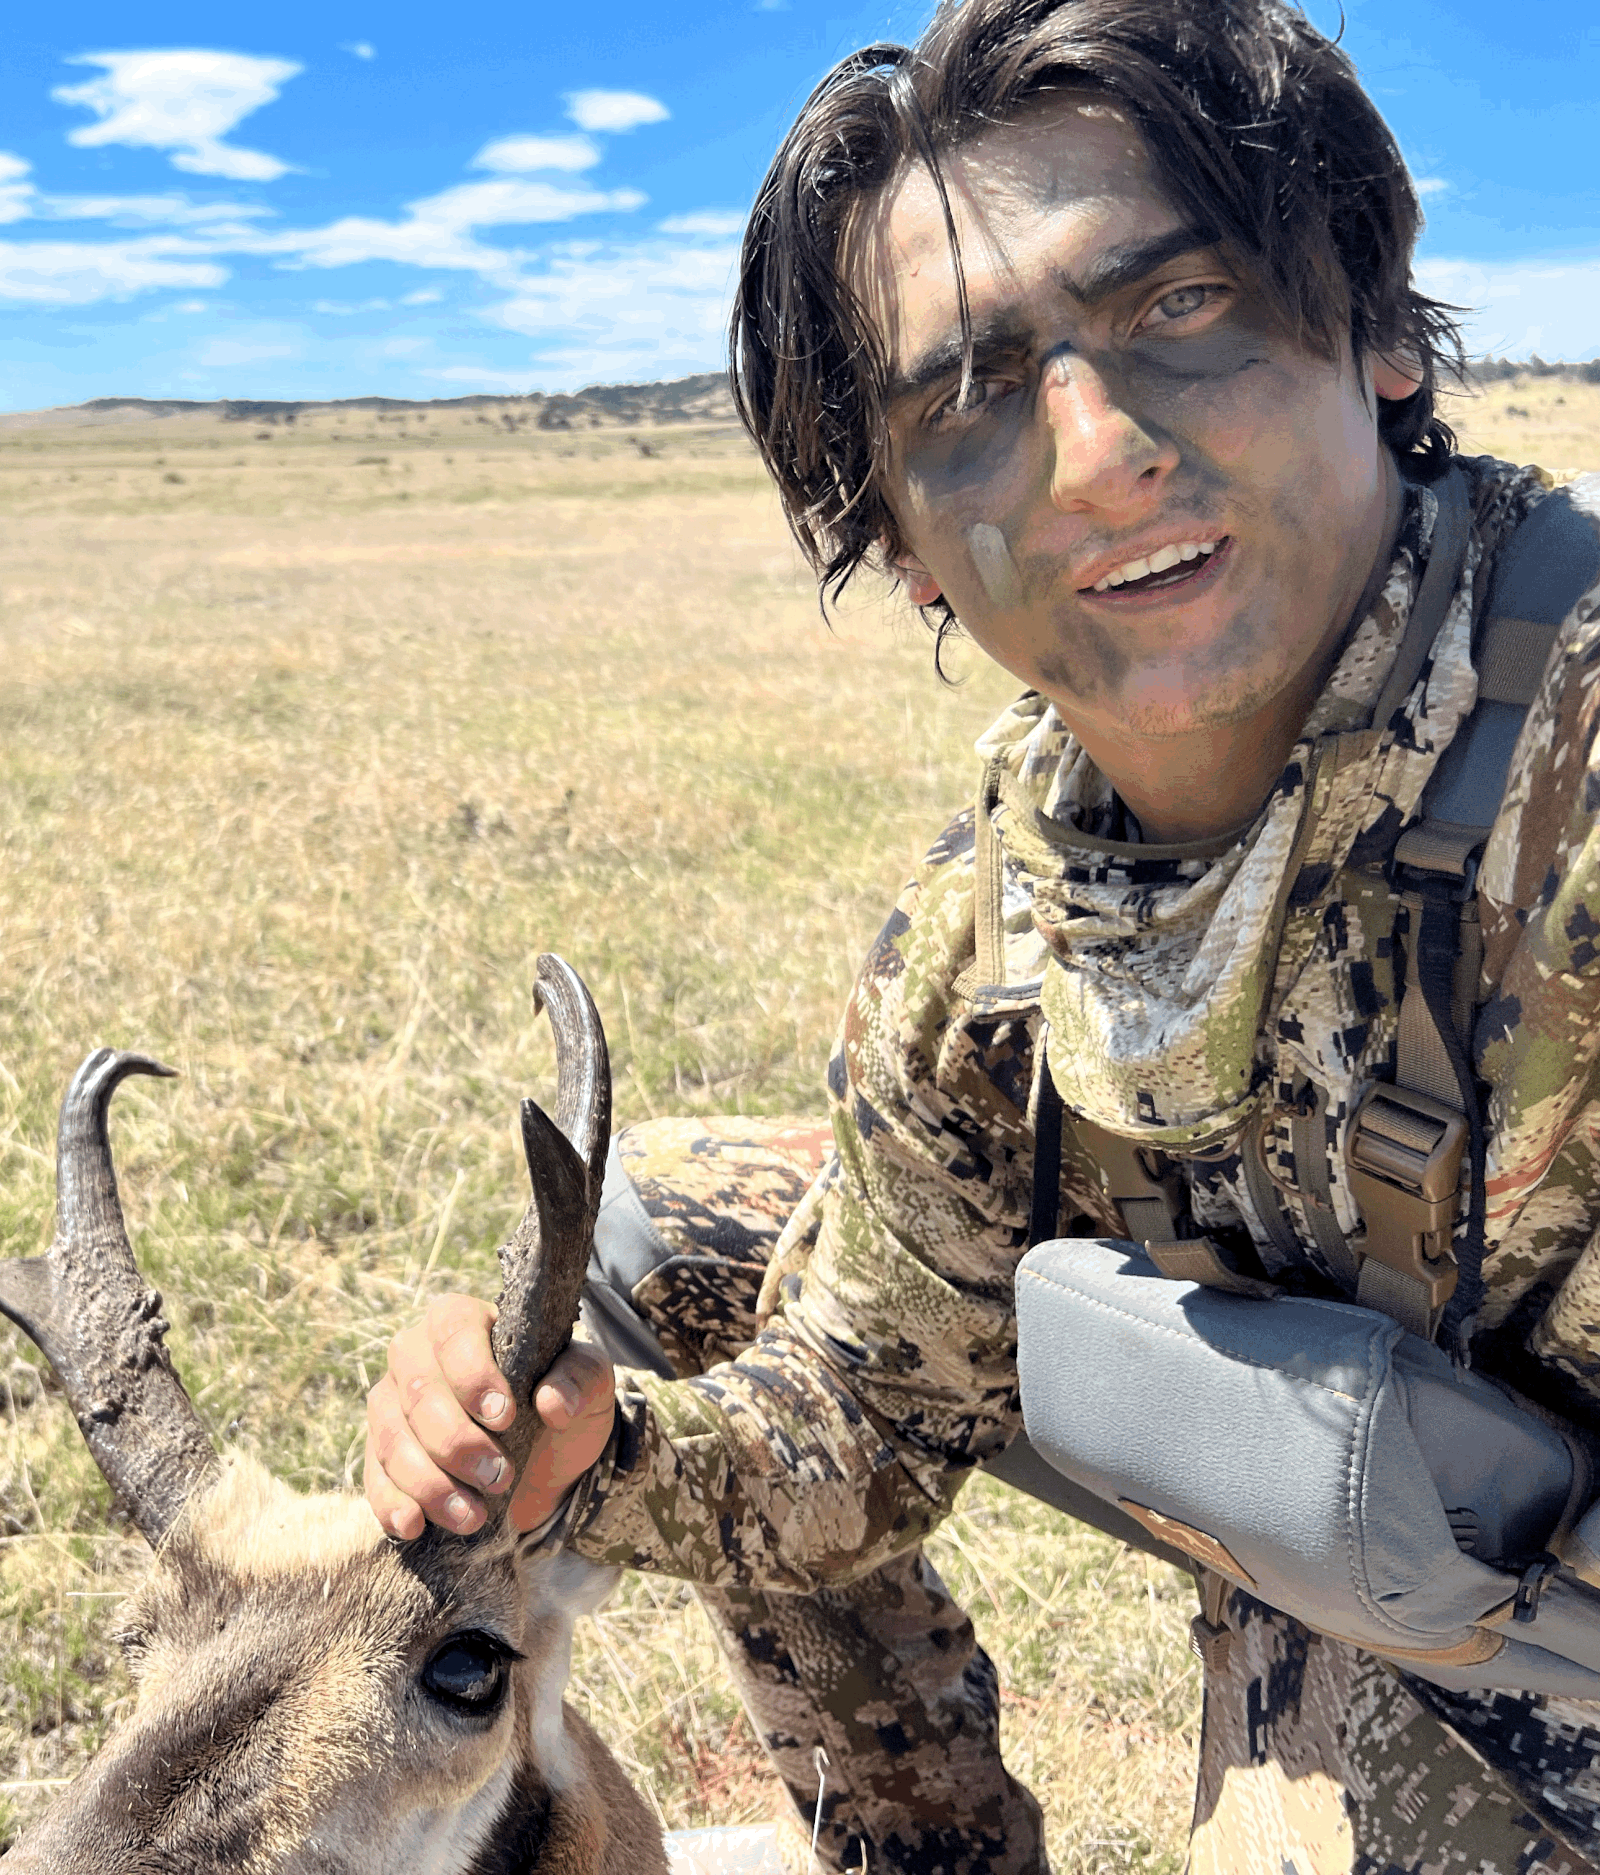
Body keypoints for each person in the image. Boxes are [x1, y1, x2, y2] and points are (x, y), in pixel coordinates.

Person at [361, 0, 1600, 1869]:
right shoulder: (998, 941)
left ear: (1366, 321)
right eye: (968, 399)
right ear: (909, 541)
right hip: (1348, 1533)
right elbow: (861, 1413)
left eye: (1177, 307)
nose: (1095, 455)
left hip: (1535, 1627)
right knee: (667, 1225)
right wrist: (586, 1457)